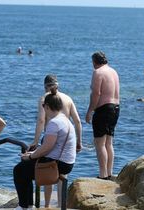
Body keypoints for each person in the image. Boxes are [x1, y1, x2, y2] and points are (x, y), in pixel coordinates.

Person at [13, 89, 77, 210]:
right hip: (66, 162)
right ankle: (29, 204)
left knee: (19, 170)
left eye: (43, 106)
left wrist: (31, 156)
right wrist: (34, 153)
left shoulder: (54, 123)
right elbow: (50, 147)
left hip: (58, 164)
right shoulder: (65, 120)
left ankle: (24, 206)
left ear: (47, 106)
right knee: (25, 167)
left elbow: (47, 147)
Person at [29, 74, 82, 208]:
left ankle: (46, 205)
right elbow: (77, 121)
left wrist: (35, 142)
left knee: (48, 172)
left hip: (50, 138)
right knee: (61, 174)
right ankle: (60, 205)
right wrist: (79, 141)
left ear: (45, 86)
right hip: (66, 140)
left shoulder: (45, 99)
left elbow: (41, 121)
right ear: (57, 85)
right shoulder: (68, 98)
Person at [86, 51, 120, 180]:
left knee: (99, 143)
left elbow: (96, 94)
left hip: (104, 109)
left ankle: (102, 175)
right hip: (116, 108)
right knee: (108, 142)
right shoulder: (113, 72)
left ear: (95, 62)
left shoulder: (98, 72)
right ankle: (109, 173)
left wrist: (90, 111)